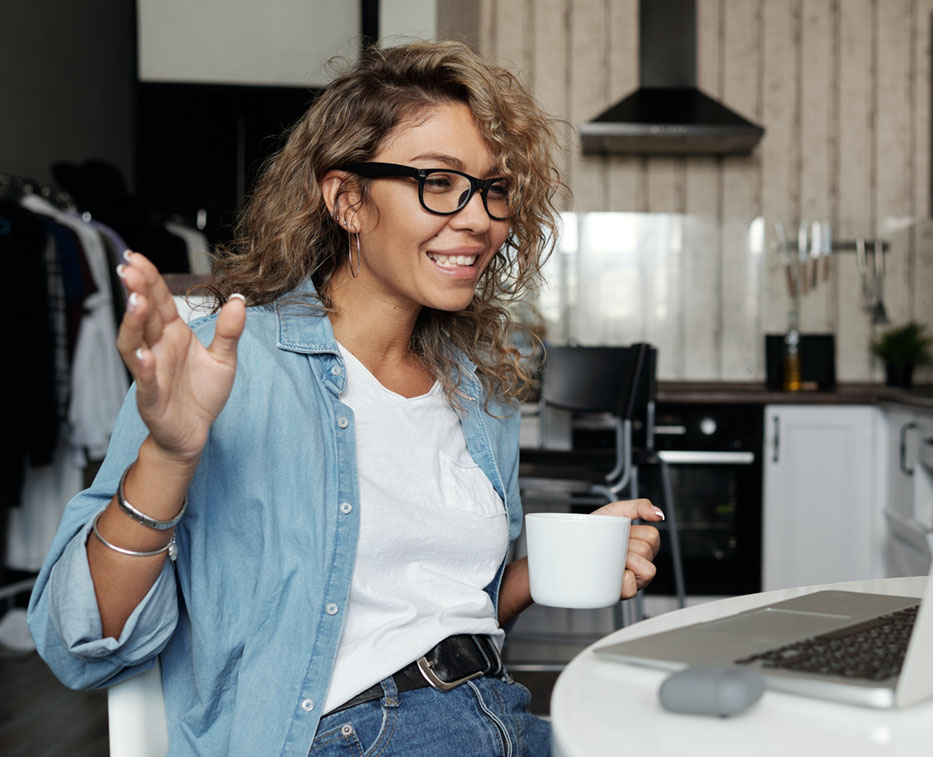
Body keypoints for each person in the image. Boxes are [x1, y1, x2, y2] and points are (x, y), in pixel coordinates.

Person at [27, 41, 663, 756]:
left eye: (494, 187)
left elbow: (436, 616)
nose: (480, 217)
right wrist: (170, 454)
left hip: (495, 716)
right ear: (347, 200)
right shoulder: (226, 362)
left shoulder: (479, 392)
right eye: (440, 182)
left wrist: (543, 573)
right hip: (350, 735)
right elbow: (75, 639)